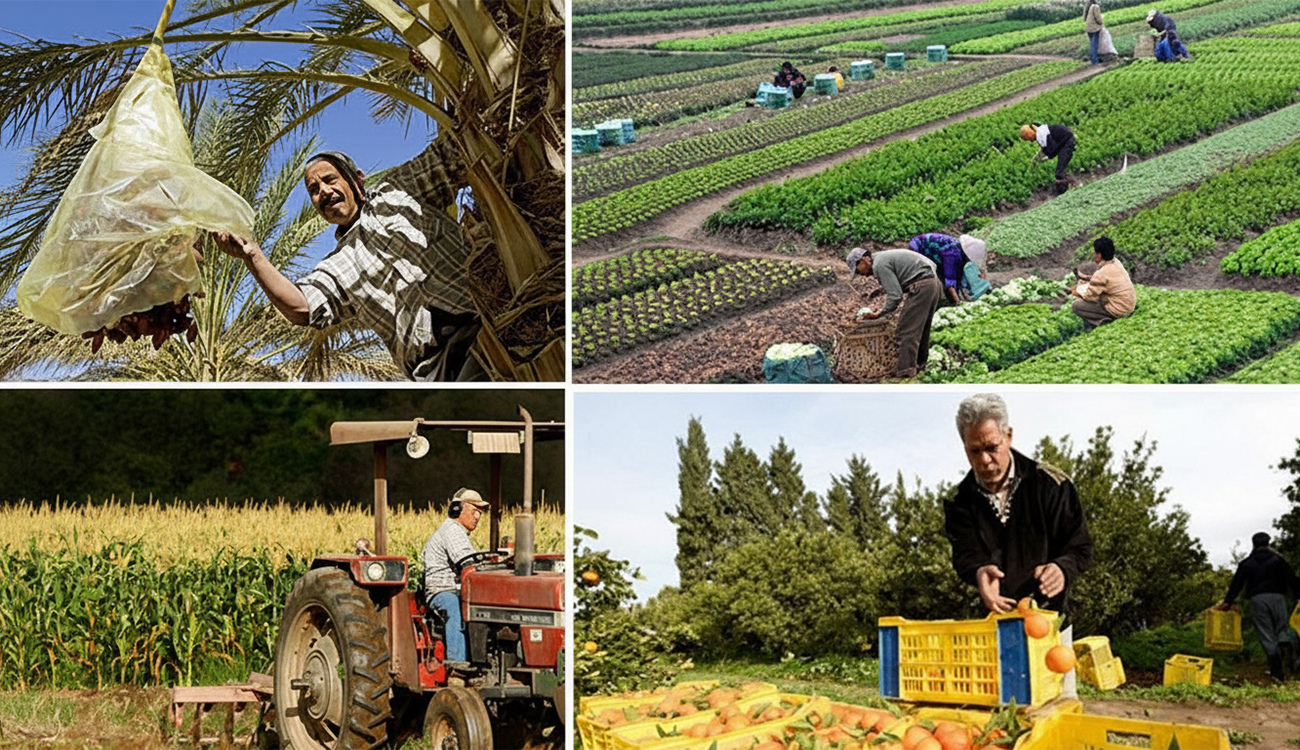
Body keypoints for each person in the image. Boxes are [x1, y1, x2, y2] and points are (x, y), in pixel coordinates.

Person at [214, 150, 483, 381]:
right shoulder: (339, 266)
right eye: (314, 190)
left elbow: (456, 151)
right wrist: (252, 255)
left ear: (357, 181)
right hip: (439, 367)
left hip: (488, 320)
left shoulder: (401, 191)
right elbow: (301, 307)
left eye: (330, 180)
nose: (324, 192)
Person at [945, 393, 1093, 695]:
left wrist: (1062, 569)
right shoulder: (961, 502)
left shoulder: (1051, 485)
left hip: (1049, 627)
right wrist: (978, 571)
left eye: (992, 448)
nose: (985, 461)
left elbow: (1080, 547)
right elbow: (964, 555)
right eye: (975, 451)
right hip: (995, 629)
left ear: (1008, 436)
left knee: (1056, 710)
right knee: (1005, 714)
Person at [1213, 532, 1300, 681]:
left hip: (1259, 599)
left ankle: (1278, 673)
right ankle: (1287, 644)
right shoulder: (1278, 560)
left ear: (1253, 544)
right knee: (1282, 628)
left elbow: (1237, 584)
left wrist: (1227, 602)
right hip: (1279, 598)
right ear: (1268, 543)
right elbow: (1291, 578)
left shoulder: (1248, 563)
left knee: (1266, 636)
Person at [422, 488, 492, 668]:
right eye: (474, 511)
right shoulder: (452, 531)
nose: (478, 517)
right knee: (456, 608)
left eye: (480, 513)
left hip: (457, 588)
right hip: (442, 590)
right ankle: (457, 666)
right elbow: (466, 561)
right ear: (457, 510)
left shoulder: (460, 533)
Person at [846, 246, 941, 378]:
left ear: (863, 260)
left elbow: (895, 295)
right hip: (934, 283)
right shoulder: (883, 257)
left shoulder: (879, 264)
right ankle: (920, 365)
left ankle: (905, 371)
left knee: (905, 330)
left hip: (922, 285)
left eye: (857, 270)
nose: (861, 274)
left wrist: (881, 313)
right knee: (921, 329)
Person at [1070, 236, 1135, 329]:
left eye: (1095, 252)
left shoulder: (1101, 274)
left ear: (1099, 255)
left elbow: (1090, 297)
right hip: (1129, 306)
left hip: (1118, 310)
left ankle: (1102, 320)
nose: (1094, 254)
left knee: (1077, 305)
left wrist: (1079, 290)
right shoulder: (1117, 263)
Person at [907, 233, 989, 304]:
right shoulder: (952, 254)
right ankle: (925, 301)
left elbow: (957, 276)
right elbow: (950, 282)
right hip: (919, 249)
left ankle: (949, 298)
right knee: (929, 280)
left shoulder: (958, 251)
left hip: (935, 255)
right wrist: (957, 304)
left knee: (950, 276)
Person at [1020, 123, 1076, 195]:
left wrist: (1046, 157)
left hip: (1067, 142)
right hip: (1064, 142)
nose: (1030, 141)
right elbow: (1048, 149)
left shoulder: (1041, 134)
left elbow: (1052, 149)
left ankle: (1063, 192)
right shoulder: (1042, 131)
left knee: (1059, 172)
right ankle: (1065, 187)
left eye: (1028, 138)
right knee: (1060, 169)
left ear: (1030, 133)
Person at [1084, 0, 1105, 65]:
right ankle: (1095, 61)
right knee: (1094, 45)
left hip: (1088, 28)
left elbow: (1084, 18)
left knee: (1092, 44)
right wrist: (1102, 22)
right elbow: (1098, 18)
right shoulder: (1096, 7)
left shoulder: (1087, 6)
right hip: (1095, 28)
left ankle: (1093, 58)